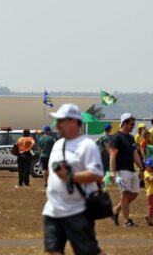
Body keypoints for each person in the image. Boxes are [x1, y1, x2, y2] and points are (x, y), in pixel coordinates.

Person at [42, 103, 106, 255]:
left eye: (60, 121)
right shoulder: (57, 144)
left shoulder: (87, 145)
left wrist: (70, 176)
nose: (56, 125)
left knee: (89, 252)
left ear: (73, 122)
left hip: (77, 210)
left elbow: (97, 173)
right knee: (53, 252)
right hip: (53, 210)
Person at [109, 112, 144, 227]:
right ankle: (127, 221)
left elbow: (135, 154)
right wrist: (113, 172)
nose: (133, 126)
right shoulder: (116, 137)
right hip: (121, 170)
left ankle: (115, 210)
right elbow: (112, 155)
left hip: (131, 170)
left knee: (134, 193)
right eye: (131, 124)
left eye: (133, 124)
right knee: (125, 193)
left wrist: (141, 167)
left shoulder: (131, 138)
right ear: (124, 123)